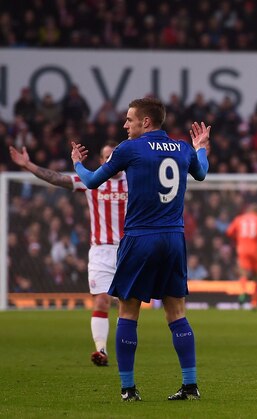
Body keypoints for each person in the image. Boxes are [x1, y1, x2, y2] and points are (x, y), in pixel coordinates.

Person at [70, 97, 210, 402]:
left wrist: (77, 164)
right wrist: (201, 147)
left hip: (139, 237)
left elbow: (93, 182)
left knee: (128, 311)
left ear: (146, 122)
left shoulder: (129, 149)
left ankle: (128, 388)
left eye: (129, 119)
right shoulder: (183, 148)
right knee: (176, 312)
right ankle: (190, 385)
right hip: (174, 238)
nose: (125, 125)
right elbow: (201, 173)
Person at [9, 140, 126, 367]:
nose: (112, 160)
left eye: (115, 156)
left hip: (129, 249)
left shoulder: (135, 181)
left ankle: (125, 352)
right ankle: (101, 350)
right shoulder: (93, 181)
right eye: (107, 157)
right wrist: (29, 165)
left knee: (126, 305)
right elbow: (57, 179)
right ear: (102, 161)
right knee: (101, 301)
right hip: (101, 250)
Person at [226, 203, 257, 309]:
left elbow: (229, 232)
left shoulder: (239, 219)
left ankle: (243, 292)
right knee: (256, 276)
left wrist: (239, 238)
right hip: (255, 249)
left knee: (243, 273)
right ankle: (255, 301)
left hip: (242, 248)